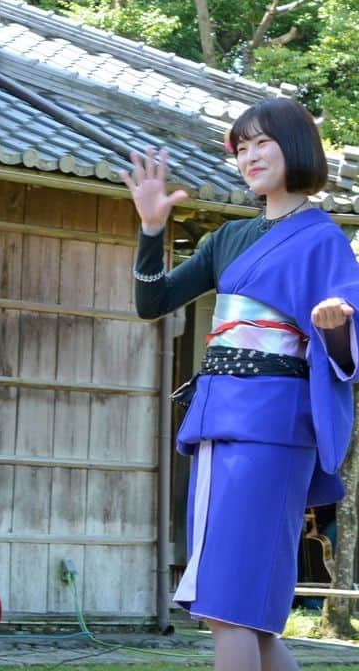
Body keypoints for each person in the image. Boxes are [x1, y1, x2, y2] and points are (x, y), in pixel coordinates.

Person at [121, 98, 359, 671]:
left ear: (296, 147)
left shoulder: (323, 238)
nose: (248, 157)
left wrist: (337, 329)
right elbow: (153, 301)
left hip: (274, 426)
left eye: (262, 143)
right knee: (237, 611)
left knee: (229, 605)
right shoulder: (228, 238)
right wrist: (153, 230)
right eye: (241, 147)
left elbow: (348, 353)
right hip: (216, 417)